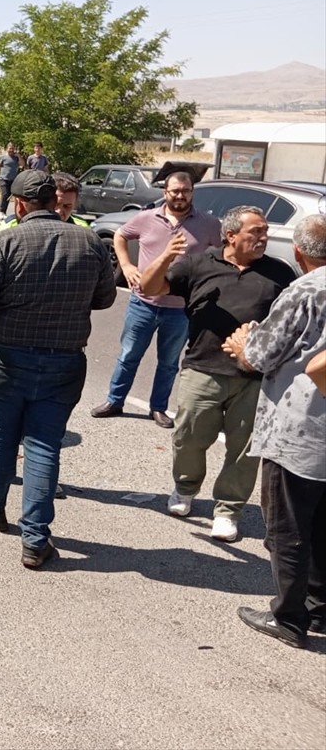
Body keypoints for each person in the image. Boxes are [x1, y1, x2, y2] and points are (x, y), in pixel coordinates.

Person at [0, 171, 117, 569]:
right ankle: (35, 540)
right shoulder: (90, 241)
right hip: (64, 360)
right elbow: (106, 298)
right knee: (44, 446)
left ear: (19, 204)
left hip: (8, 357)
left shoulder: (7, 240)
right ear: (51, 200)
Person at [138, 206, 296, 542]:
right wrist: (166, 256)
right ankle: (185, 488)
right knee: (188, 437)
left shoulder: (280, 273)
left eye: (265, 231)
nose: (263, 237)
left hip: (254, 377)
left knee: (244, 449)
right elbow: (151, 288)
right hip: (202, 367)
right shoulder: (199, 264)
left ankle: (228, 509)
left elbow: (292, 323)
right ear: (231, 235)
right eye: (256, 231)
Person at [221, 214, 326, 649]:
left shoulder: (305, 289)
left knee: (286, 526)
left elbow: (261, 356)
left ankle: (288, 618)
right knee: (321, 524)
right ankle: (319, 609)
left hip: (299, 427)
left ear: (299, 253)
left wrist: (243, 343)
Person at [92, 172, 221, 428]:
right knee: (129, 355)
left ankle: (158, 408)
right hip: (143, 303)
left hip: (180, 309)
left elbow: (221, 255)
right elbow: (120, 235)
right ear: (165, 193)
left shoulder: (208, 223)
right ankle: (115, 400)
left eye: (185, 191)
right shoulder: (146, 218)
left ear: (192, 192)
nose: (180, 195)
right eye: (175, 191)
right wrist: (127, 265)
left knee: (168, 363)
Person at [0, 172, 89, 230]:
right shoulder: (10, 226)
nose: (59, 211)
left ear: (75, 205)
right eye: (56, 204)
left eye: (67, 206)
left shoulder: (82, 228)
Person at [0, 142, 21, 217]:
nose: (11, 150)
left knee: (9, 196)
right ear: (7, 149)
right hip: (3, 179)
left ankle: (5, 212)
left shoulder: (16, 158)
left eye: (12, 148)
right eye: (10, 148)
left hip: (13, 180)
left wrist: (19, 156)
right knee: (5, 194)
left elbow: (23, 164)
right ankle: (1, 211)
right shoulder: (3, 157)